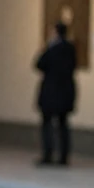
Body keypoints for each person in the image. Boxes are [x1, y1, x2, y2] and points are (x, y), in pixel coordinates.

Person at [35, 21, 78, 166]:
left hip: (50, 91)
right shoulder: (71, 49)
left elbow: (39, 64)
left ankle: (48, 154)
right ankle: (64, 156)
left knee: (47, 124)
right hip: (66, 92)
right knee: (63, 124)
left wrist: (44, 48)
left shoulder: (51, 49)